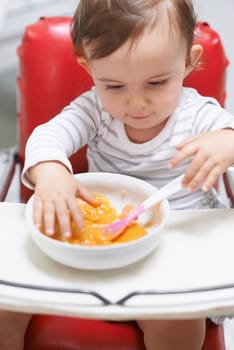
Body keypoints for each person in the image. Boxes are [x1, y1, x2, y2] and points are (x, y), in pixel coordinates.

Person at [1, 0, 234, 349]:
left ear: (187, 62)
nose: (137, 104)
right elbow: (47, 137)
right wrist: (49, 171)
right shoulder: (95, 111)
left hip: (173, 259)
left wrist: (226, 144)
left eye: (156, 82)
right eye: (114, 86)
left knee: (178, 325)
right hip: (94, 251)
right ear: (89, 68)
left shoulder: (198, 115)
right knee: (5, 306)